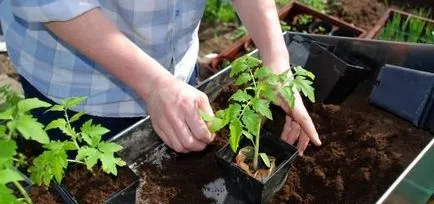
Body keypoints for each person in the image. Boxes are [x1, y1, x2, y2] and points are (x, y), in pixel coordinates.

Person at [0, 0, 321, 156]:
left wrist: (276, 63)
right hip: (78, 83)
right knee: (85, 177)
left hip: (174, 67)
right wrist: (153, 85)